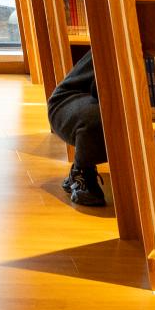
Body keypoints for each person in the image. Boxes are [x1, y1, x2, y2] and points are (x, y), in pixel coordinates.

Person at [47, 49, 106, 206]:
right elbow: (100, 89)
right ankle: (81, 172)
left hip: (96, 98)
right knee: (99, 118)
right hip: (70, 100)